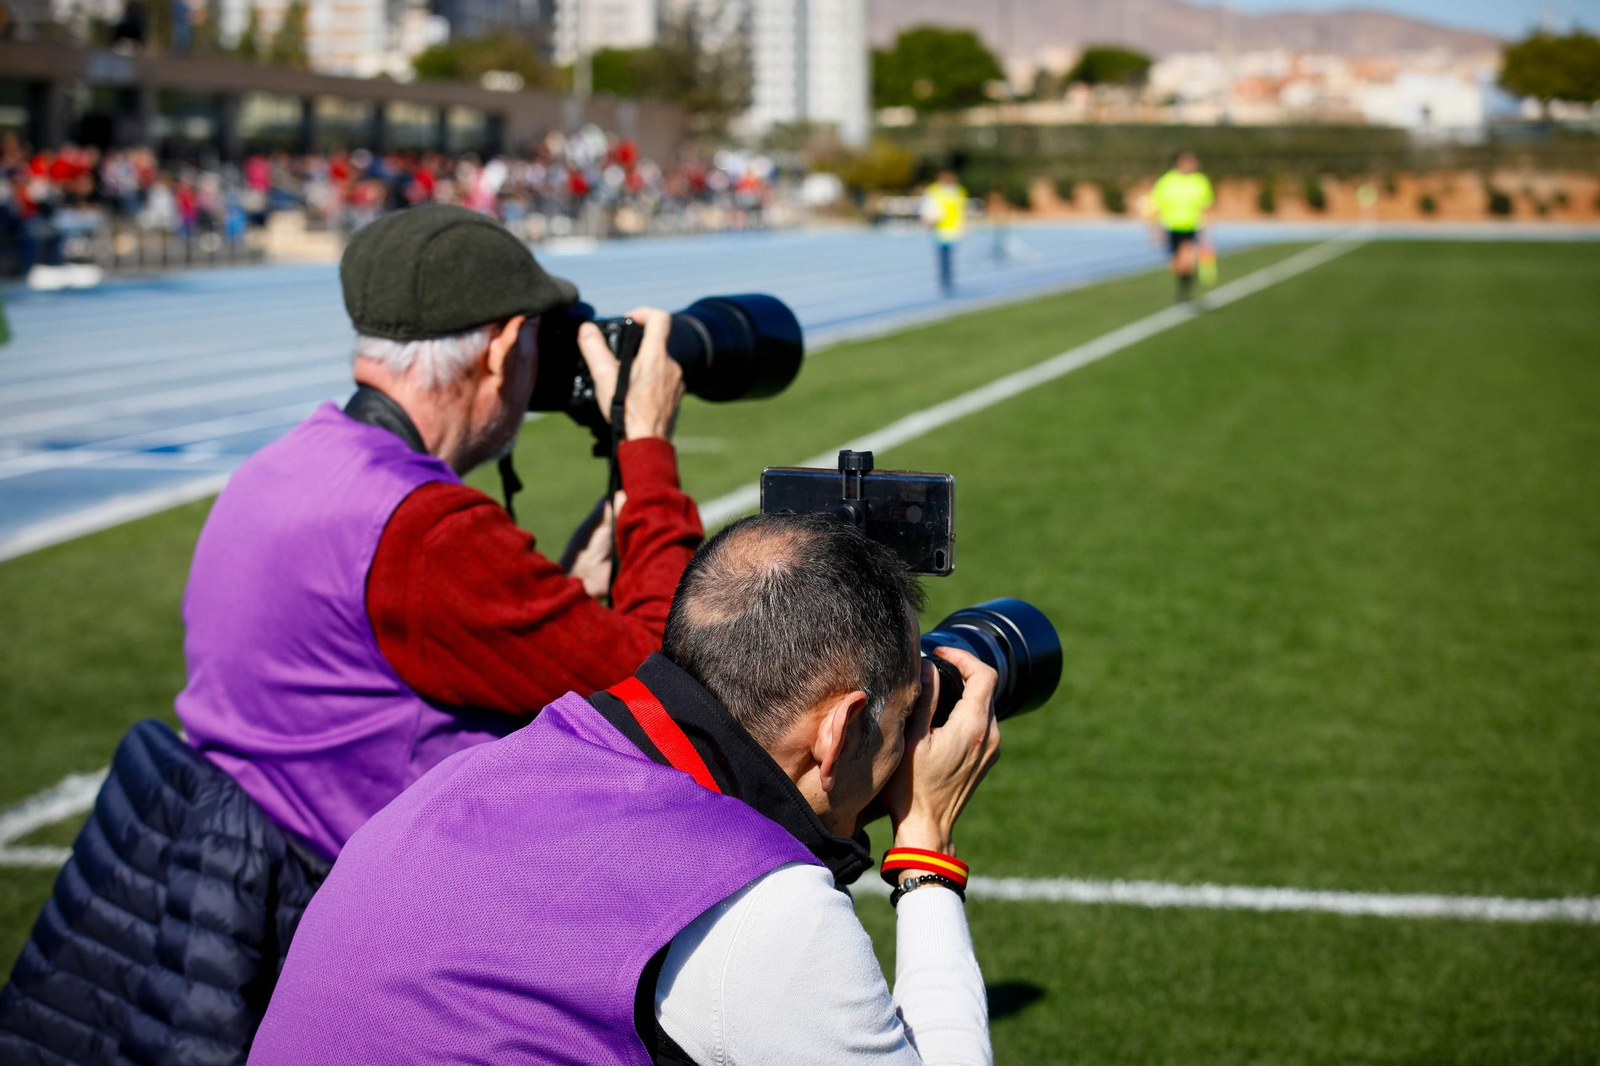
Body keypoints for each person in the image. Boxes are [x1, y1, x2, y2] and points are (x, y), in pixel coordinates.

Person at [0, 203, 700, 1063]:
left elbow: (385, 663)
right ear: (503, 346)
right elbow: (662, 685)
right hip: (347, 929)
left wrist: (556, 595)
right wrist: (648, 450)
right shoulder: (427, 532)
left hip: (216, 898)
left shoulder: (288, 461)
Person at [249, 512, 1002, 1066]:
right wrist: (925, 840)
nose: (915, 741)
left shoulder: (478, 772)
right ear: (838, 732)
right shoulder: (760, 911)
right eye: (906, 718)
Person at [1148, 150, 1215, 303]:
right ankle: (1182, 284)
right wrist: (1155, 230)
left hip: (1191, 226)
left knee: (1188, 260)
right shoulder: (1167, 181)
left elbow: (1206, 205)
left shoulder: (1200, 181)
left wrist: (1208, 227)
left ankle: (1185, 290)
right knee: (1175, 263)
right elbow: (1156, 205)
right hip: (1171, 226)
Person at [921, 169, 968, 296]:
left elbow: (961, 210)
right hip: (939, 230)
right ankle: (944, 281)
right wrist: (928, 221)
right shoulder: (934, 190)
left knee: (949, 258)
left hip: (952, 230)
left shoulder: (958, 191)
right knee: (943, 258)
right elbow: (927, 208)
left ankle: (948, 280)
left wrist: (963, 226)